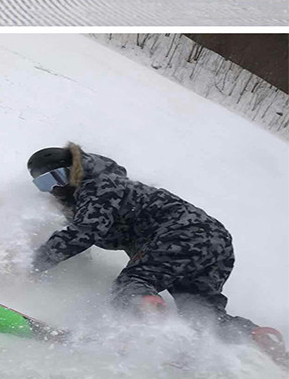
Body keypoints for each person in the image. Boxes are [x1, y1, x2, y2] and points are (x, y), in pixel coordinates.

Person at [26, 144, 288, 366]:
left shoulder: (97, 187)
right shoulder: (105, 188)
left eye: (55, 178)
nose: (52, 189)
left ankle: (142, 331)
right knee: (201, 312)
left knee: (133, 284)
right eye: (43, 184)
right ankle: (255, 337)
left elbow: (83, 233)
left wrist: (32, 264)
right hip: (215, 242)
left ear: (73, 171)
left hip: (182, 233)